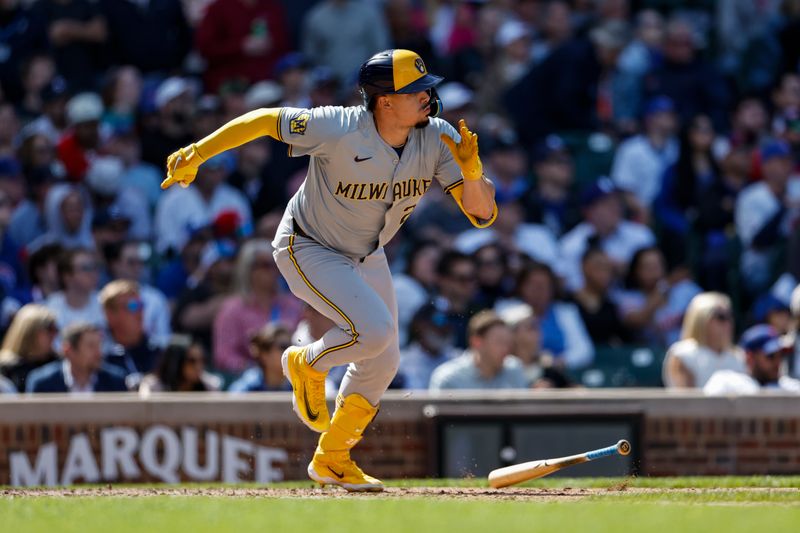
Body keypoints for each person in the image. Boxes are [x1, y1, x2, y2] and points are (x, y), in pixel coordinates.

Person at [161, 49, 497, 491]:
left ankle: (333, 457)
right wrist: (197, 152)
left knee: (386, 357)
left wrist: (473, 172)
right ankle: (306, 362)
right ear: (385, 101)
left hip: (367, 252)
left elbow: (482, 214)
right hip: (308, 245)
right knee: (374, 333)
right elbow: (263, 119)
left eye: (426, 87)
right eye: (415, 90)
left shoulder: (438, 137)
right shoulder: (338, 125)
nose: (427, 96)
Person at [213, 239, 302, 373]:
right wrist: (255, 370)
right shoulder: (232, 310)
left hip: (292, 376)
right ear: (249, 270)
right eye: (266, 265)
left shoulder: (293, 305)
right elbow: (224, 355)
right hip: (250, 384)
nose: (273, 271)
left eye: (275, 264)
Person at [662, 292, 745, 388]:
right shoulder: (683, 354)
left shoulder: (739, 356)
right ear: (701, 318)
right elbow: (687, 399)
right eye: (721, 317)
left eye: (730, 316)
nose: (728, 322)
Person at [429, 310, 527, 390]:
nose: (506, 348)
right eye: (499, 342)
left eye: (508, 342)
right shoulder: (449, 379)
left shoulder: (515, 369)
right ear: (477, 342)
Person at [26, 322, 128, 394]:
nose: (99, 353)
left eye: (99, 345)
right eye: (91, 346)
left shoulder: (116, 381)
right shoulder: (43, 383)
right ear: (68, 350)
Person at [704, 325, 800, 395]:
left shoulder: (790, 386)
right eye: (771, 356)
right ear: (750, 358)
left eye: (781, 355)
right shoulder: (725, 381)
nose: (778, 362)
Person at [99, 280, 160, 379]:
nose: (139, 312)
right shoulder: (99, 355)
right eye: (132, 306)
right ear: (110, 314)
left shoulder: (158, 353)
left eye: (141, 305)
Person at [399, 302, 459, 390]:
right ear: (420, 325)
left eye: (448, 324)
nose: (444, 330)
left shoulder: (459, 360)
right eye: (438, 322)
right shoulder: (401, 364)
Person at [0, 304, 59, 392]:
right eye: (49, 329)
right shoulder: (7, 369)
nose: (54, 334)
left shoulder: (59, 364)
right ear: (30, 332)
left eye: (55, 329)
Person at [138, 335, 221, 394]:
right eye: (192, 361)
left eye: (202, 360)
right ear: (176, 361)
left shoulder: (209, 386)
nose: (198, 366)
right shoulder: (153, 388)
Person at [228, 322, 293, 392]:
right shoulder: (247, 387)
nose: (290, 351)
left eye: (291, 346)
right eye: (283, 346)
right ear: (264, 354)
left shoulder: (300, 385)